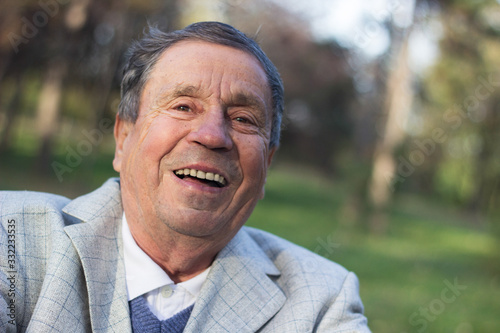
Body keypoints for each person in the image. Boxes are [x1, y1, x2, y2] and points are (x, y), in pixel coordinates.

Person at [0, 22, 370, 332]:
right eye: (183, 106)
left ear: (266, 166)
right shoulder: (11, 239)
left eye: (243, 118)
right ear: (123, 138)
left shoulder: (322, 302)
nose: (212, 136)